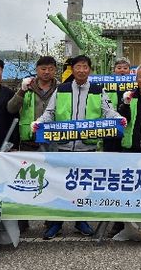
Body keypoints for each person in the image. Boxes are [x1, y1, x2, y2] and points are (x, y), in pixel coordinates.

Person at [36, 54, 123, 240]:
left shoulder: (98, 90)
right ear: (73, 69)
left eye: (85, 67)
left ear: (89, 70)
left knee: (83, 187)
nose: (82, 70)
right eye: (78, 67)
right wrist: (39, 122)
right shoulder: (62, 89)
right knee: (60, 186)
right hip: (63, 148)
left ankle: (81, 221)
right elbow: (50, 113)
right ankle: (56, 223)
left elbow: (108, 111)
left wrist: (118, 119)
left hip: (87, 148)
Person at [7, 56, 58, 151]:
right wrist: (22, 91)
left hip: (54, 139)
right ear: (36, 70)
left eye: (51, 69)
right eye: (43, 69)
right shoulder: (27, 86)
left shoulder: (61, 89)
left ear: (55, 70)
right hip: (29, 141)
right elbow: (11, 109)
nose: (47, 72)